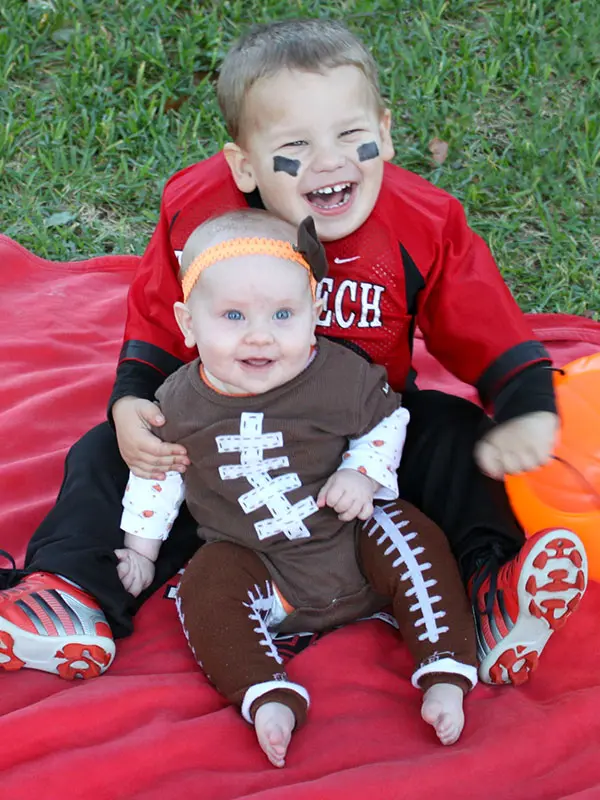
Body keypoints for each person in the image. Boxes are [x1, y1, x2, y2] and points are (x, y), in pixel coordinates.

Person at [0, 19, 587, 688]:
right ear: (245, 163)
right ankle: (70, 592)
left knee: (458, 438)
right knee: (108, 452)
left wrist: (526, 403)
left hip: (363, 440)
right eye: (297, 145)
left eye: (349, 135)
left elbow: (482, 320)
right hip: (223, 444)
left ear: (386, 132)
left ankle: (489, 596)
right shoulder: (200, 213)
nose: (330, 161)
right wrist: (135, 397)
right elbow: (165, 317)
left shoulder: (424, 222)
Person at [117, 208, 478, 765]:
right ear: (189, 324)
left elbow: (388, 420)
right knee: (205, 584)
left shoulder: (339, 375)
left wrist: (362, 472)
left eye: (284, 314)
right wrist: (142, 550)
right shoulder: (177, 404)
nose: (260, 335)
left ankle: (445, 670)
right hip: (265, 571)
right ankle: (265, 693)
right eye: (233, 315)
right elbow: (156, 477)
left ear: (315, 314)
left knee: (409, 533)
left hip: (353, 545)